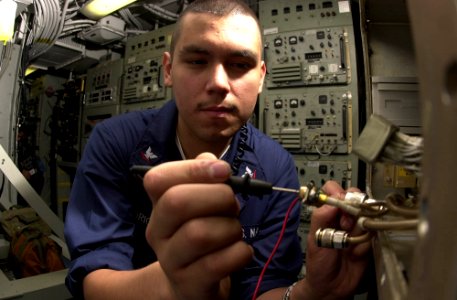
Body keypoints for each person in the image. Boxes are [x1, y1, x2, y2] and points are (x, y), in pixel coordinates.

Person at [64, 0, 370, 299]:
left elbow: (263, 289)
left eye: (239, 65)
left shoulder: (277, 168)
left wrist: (311, 292)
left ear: (261, 77)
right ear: (168, 70)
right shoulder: (115, 140)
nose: (218, 82)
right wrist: (169, 289)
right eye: (197, 61)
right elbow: (93, 275)